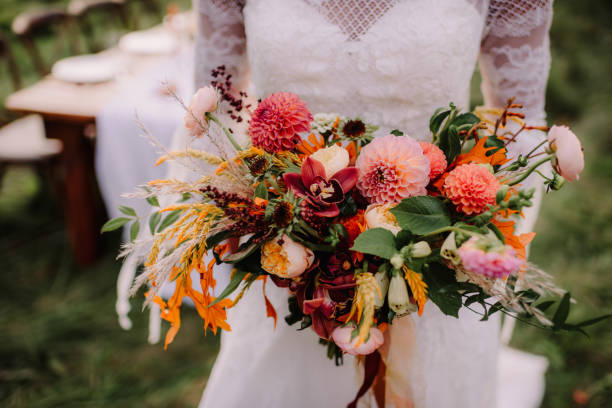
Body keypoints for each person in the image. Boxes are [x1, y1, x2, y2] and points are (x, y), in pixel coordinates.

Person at [189, 1, 553, 406]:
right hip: (286, 254)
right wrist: (242, 218)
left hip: (434, 257)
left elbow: (521, 126)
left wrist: (470, 237)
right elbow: (211, 115)